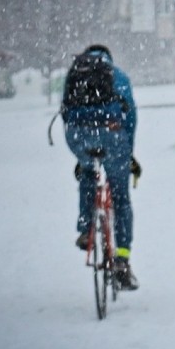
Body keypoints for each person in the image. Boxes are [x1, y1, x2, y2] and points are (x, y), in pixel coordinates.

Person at [62, 44, 141, 290]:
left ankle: (86, 228)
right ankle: (122, 259)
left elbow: (66, 112)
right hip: (113, 135)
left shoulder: (75, 73)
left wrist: (81, 151)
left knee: (88, 172)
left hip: (77, 136)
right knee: (120, 199)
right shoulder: (118, 76)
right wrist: (128, 153)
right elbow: (131, 118)